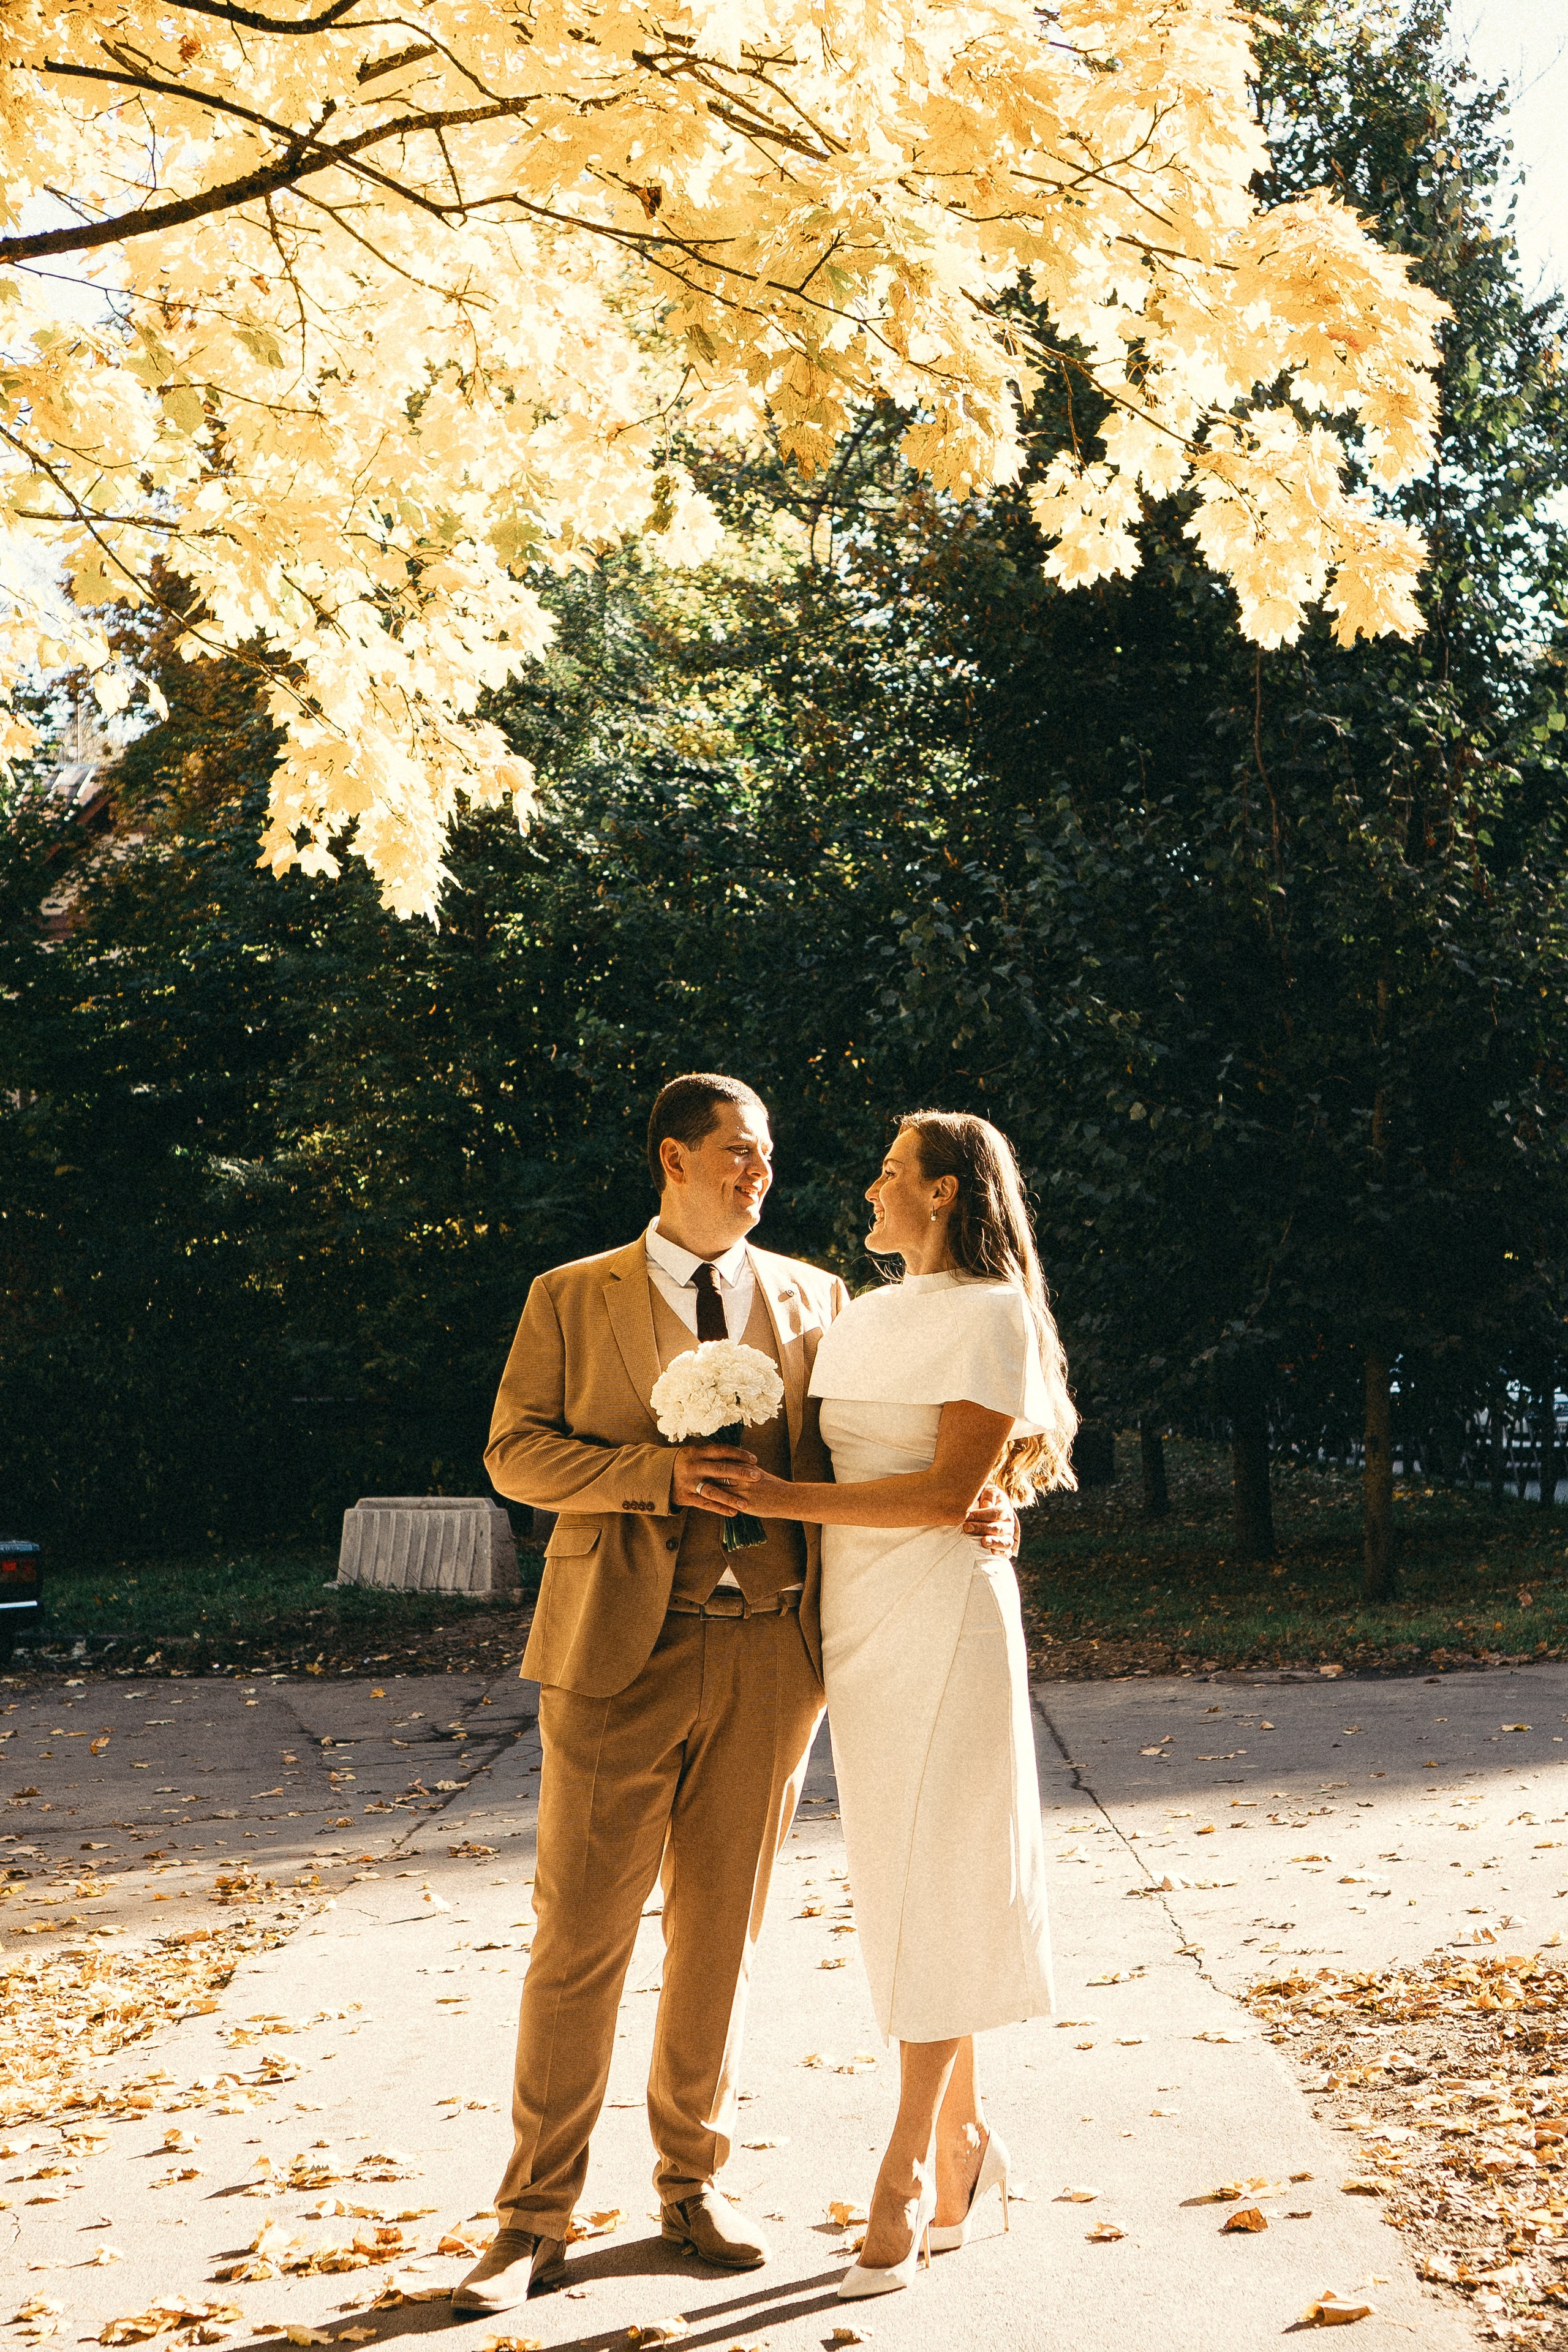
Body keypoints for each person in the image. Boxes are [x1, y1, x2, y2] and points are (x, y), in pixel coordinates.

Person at [453, 1075, 1018, 2313]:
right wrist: (652, 1476)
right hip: (615, 1652)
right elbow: (514, 1452)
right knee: (578, 1939)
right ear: (674, 1157)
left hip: (772, 1655)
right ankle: (529, 2219)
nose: (759, 1173)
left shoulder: (823, 1299)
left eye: (766, 1157)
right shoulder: (570, 1294)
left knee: (722, 1935)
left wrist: (988, 1497)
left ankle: (691, 2184)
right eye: (736, 1154)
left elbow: (907, 1432)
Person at [706, 1109, 1077, 2299]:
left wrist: (775, 1495)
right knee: (909, 1882)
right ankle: (967, 2144)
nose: (866, 1187)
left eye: (886, 1172)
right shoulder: (856, 1316)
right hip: (852, 1628)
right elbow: (848, 1474)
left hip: (944, 1616)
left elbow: (944, 1496)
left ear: (941, 1192)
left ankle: (904, 2170)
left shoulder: (991, 1313)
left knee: (935, 1875)